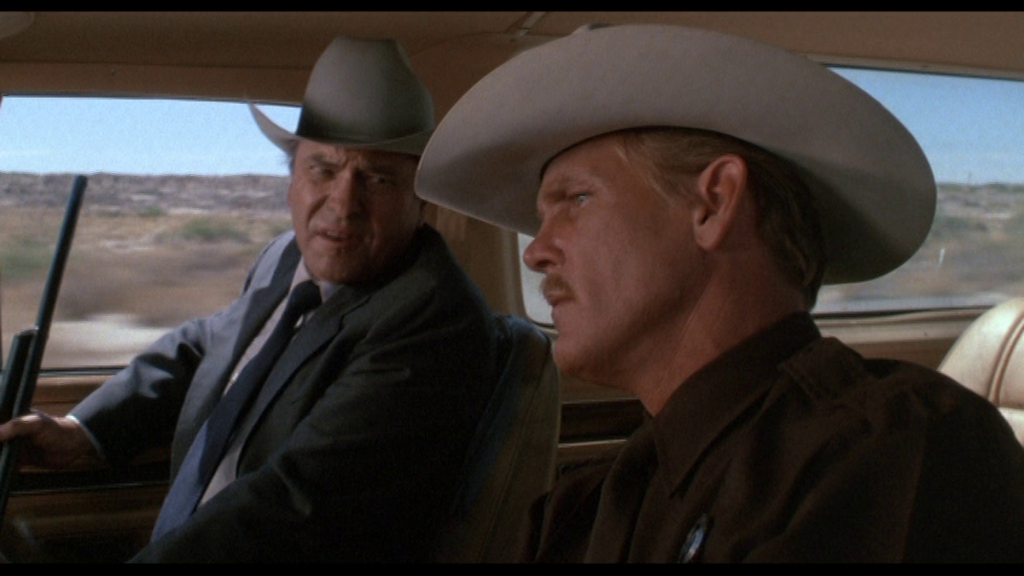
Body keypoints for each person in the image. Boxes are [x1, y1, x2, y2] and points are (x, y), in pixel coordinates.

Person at [414, 24, 1024, 562]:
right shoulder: (583, 507)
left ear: (713, 203)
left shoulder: (897, 452)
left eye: (576, 199)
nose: (535, 251)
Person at [0, 35, 505, 562]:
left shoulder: (433, 318)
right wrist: (83, 431)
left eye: (377, 178)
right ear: (292, 180)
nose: (343, 204)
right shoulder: (285, 256)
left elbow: (297, 505)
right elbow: (209, 343)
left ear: (420, 198)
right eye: (323, 170)